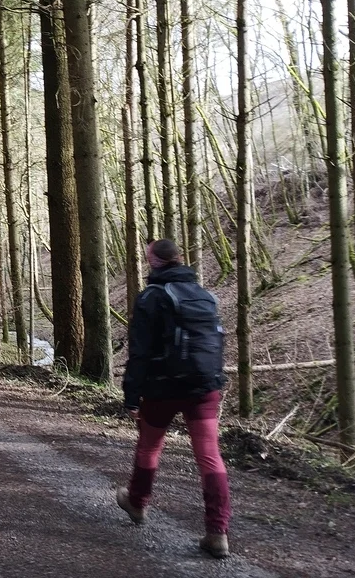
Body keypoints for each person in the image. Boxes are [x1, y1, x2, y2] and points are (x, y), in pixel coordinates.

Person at [117, 239, 231, 559]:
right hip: (205, 387)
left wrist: (131, 396)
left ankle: (137, 504)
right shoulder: (205, 295)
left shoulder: (151, 297)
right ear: (179, 260)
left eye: (146, 256)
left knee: (150, 446)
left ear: (153, 261)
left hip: (162, 389)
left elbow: (139, 353)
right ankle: (217, 532)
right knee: (210, 456)